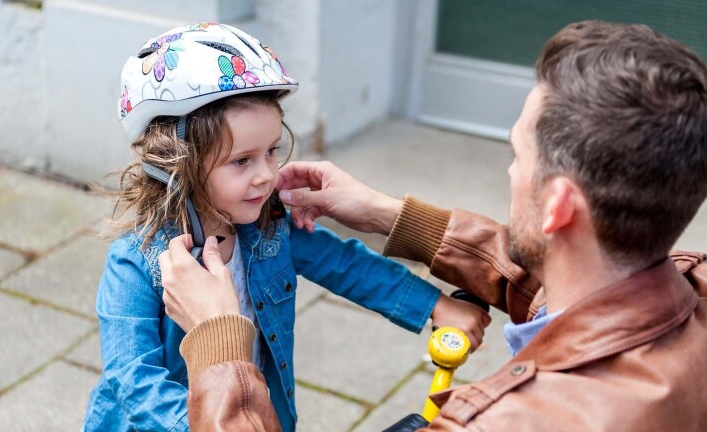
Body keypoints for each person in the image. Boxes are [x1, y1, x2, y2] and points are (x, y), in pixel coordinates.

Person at [158, 20, 707, 431]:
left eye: (517, 155)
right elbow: (579, 296)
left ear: (560, 206)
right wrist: (388, 216)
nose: (511, 173)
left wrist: (219, 344)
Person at [82, 23, 489, 432]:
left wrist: (435, 305)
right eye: (242, 161)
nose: (266, 175)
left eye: (271, 151)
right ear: (177, 165)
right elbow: (133, 381)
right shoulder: (135, 263)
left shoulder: (271, 231)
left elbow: (347, 265)